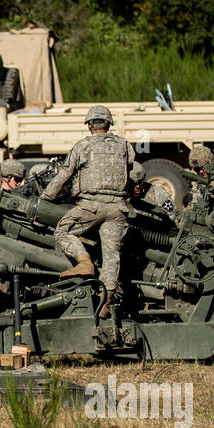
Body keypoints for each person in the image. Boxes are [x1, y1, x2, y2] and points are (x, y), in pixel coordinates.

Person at [41, 105, 134, 318]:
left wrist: (47, 197)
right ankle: (106, 302)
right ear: (109, 124)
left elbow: (65, 174)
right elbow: (131, 170)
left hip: (91, 206)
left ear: (90, 125)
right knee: (112, 255)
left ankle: (84, 262)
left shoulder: (83, 146)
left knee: (63, 231)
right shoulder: (125, 146)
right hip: (118, 209)